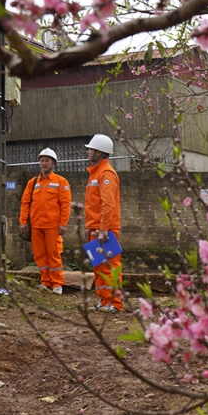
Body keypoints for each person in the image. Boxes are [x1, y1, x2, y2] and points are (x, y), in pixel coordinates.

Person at [19, 148, 72, 295]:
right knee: (40, 255)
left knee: (54, 255)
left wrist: (63, 224)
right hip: (36, 226)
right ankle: (45, 281)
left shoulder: (61, 182)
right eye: (42, 160)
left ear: (53, 163)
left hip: (52, 226)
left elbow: (65, 204)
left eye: (47, 160)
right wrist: (23, 221)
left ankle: (57, 284)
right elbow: (25, 203)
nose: (44, 163)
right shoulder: (32, 182)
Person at [84, 134, 123, 313]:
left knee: (109, 266)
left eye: (90, 150)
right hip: (96, 229)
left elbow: (108, 205)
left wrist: (103, 229)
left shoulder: (106, 174)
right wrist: (89, 227)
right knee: (99, 267)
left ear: (99, 152)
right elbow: (93, 205)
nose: (87, 152)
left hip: (105, 231)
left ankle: (115, 303)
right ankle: (104, 300)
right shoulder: (95, 173)